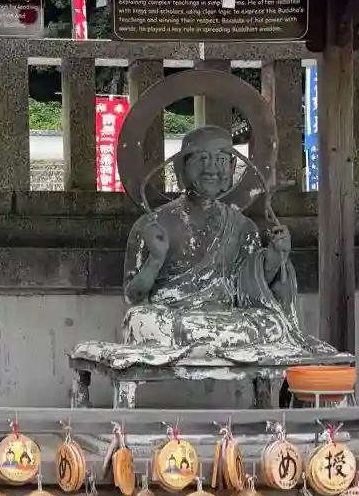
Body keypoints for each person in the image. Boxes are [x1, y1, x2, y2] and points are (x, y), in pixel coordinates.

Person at [118, 124, 336, 364]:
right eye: (202, 158)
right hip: (173, 320)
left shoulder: (243, 227)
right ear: (182, 167)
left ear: (232, 167)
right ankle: (214, 346)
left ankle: (206, 346)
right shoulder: (153, 224)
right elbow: (133, 296)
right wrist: (156, 259)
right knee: (141, 319)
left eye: (221, 159)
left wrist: (274, 259)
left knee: (272, 322)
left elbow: (249, 292)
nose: (212, 168)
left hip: (227, 320)